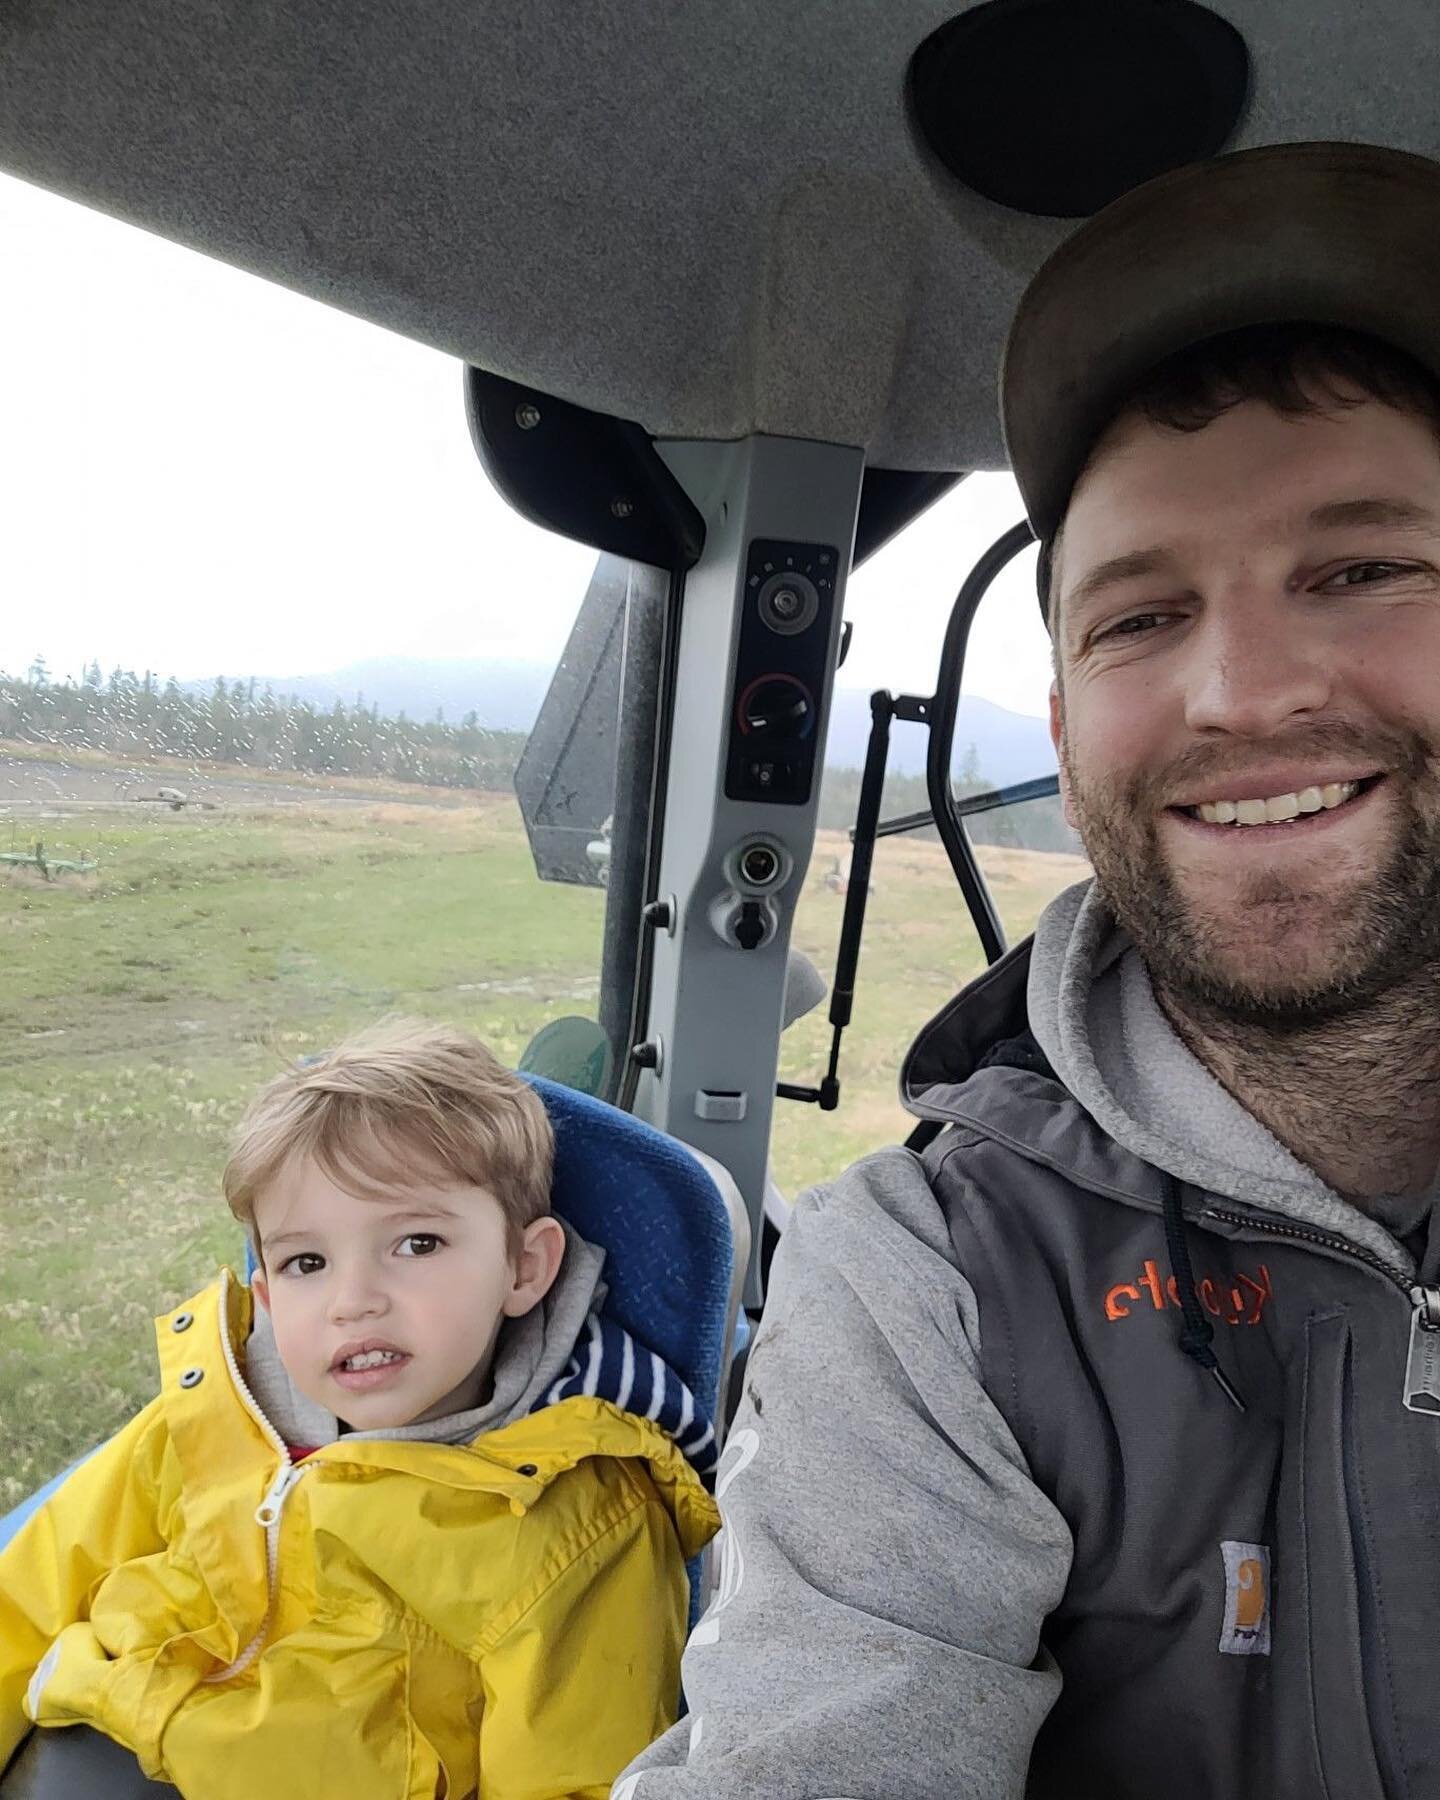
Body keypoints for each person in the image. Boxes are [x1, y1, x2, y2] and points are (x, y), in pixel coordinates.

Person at [619, 141, 1440, 1799]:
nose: (1239, 690)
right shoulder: (929, 1292)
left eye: (1360, 570)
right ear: (1065, 738)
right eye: (1139, 616)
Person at [0, 1019, 720, 1800]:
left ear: (524, 1266)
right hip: (78, 1741)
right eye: (308, 1262)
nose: (354, 1302)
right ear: (270, 1296)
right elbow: (30, 1591)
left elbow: (571, 1780)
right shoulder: (211, 1412)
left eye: (416, 1243)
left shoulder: (576, 1525)